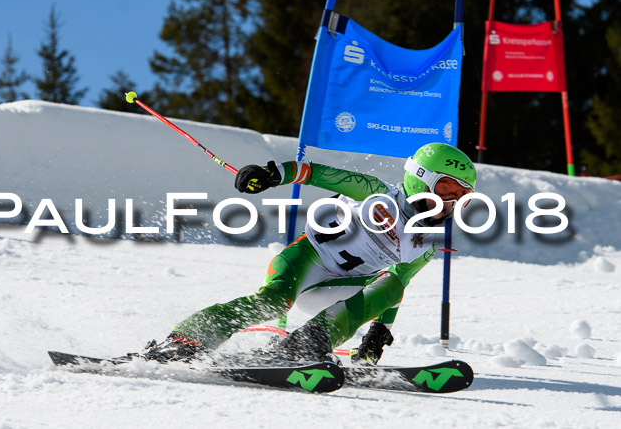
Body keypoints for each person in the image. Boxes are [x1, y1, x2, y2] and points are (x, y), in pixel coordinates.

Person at [143, 143, 476, 364]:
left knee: (393, 286)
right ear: (421, 180)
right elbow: (315, 173)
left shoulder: (423, 247)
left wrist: (378, 330)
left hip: (334, 291)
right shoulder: (376, 193)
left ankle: (307, 343)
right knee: (272, 303)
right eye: (447, 188)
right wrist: (272, 174)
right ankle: (187, 338)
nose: (452, 201)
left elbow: (392, 290)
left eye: (461, 195)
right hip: (306, 259)